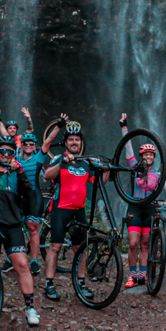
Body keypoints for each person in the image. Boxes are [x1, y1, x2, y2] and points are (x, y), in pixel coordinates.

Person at [41, 120, 107, 301]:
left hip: (79, 210)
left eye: (77, 140)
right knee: (55, 246)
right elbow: (47, 175)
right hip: (60, 209)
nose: (74, 143)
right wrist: (61, 162)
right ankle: (49, 284)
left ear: (81, 143)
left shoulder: (85, 163)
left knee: (81, 248)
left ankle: (81, 283)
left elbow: (100, 184)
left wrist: (106, 168)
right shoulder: (58, 158)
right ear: (66, 142)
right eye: (71, 140)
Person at [0, 137, 40, 326]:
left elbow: (29, 192)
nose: (5, 155)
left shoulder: (15, 172)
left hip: (12, 225)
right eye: (2, 151)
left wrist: (19, 171)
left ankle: (30, 308)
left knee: (22, 265)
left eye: (10, 152)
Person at [118, 113, 166, 287]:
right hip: (135, 208)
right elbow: (128, 151)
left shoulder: (157, 175)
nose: (148, 157)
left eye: (151, 155)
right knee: (133, 244)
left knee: (145, 244)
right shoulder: (134, 168)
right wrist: (125, 129)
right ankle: (133, 275)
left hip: (150, 210)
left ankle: (143, 275)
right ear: (141, 157)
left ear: (154, 158)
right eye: (145, 154)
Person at [15, 132, 46, 275]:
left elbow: (48, 141)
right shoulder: (16, 157)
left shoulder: (38, 157)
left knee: (33, 228)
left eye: (31, 144)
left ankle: (34, 261)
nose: (28, 146)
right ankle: (14, 259)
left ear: (35, 147)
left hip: (34, 195)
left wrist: (59, 125)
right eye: (25, 143)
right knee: (15, 227)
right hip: (18, 196)